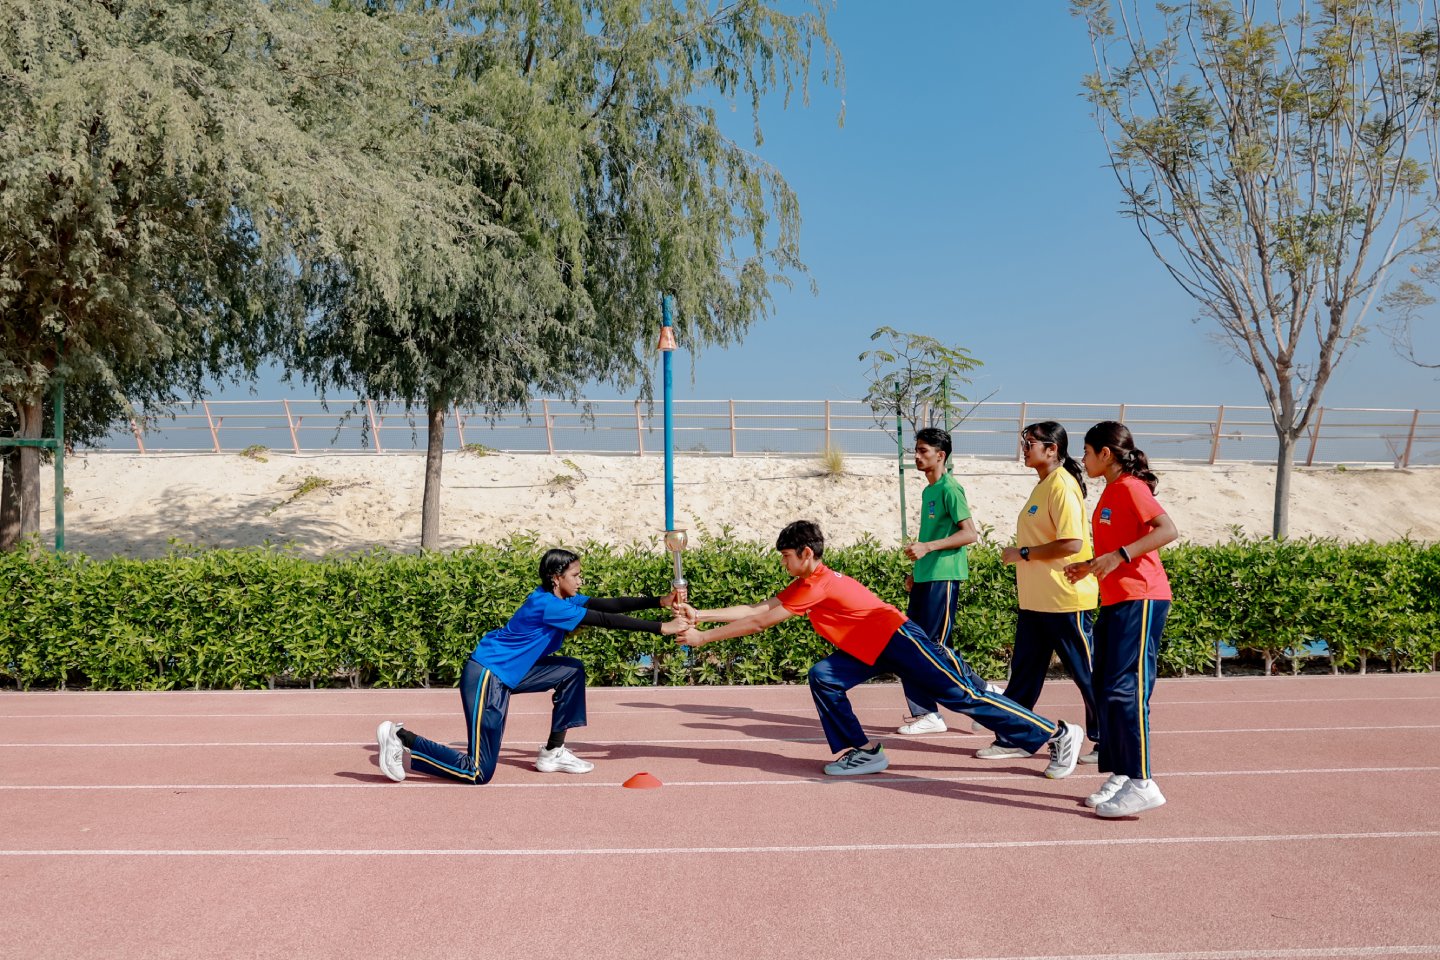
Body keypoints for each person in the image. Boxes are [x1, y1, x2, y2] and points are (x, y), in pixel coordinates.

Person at [678, 520, 1083, 781]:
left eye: (786, 556)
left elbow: (761, 622)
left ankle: (1058, 734)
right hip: (868, 650)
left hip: (898, 639)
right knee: (824, 676)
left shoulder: (818, 582)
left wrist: (702, 639)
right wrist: (702, 615)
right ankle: (862, 752)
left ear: (807, 554)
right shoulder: (806, 583)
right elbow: (759, 608)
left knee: (964, 697)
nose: (783, 563)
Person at [374, 548, 691, 784]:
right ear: (557, 578)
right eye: (575, 575)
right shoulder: (548, 606)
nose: (580, 580)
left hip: (511, 675)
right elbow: (605, 620)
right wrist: (662, 628)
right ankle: (401, 737)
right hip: (487, 675)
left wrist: (659, 601)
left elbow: (609, 605)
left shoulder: (562, 600)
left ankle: (553, 752)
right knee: (478, 772)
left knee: (571, 671)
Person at [1064, 422, 1179, 818]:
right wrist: (1091, 565)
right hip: (1116, 599)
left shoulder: (1131, 487)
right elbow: (1115, 547)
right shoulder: (1111, 490)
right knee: (1106, 689)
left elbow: (1167, 530)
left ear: (1105, 454)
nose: (1083, 459)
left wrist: (1120, 556)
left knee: (1127, 690)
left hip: (1142, 598)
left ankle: (1143, 782)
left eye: (1087, 451)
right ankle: (1123, 774)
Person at [983, 421, 1101, 763]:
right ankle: (1014, 738)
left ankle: (1108, 740)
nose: (1024, 448)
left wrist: (1022, 553)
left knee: (1088, 674)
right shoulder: (1044, 485)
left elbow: (1072, 543)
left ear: (1052, 449)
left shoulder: (1062, 486)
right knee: (1024, 674)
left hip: (1064, 599)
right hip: (1036, 601)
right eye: (1024, 442)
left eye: (1030, 443)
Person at [896, 427, 978, 736]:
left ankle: (984, 696)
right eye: (915, 450)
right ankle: (929, 712)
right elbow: (930, 537)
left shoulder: (950, 489)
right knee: (910, 644)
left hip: (944, 578)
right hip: (926, 577)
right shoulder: (928, 491)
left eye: (923, 451)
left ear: (940, 455)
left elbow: (970, 533)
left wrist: (928, 548)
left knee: (933, 649)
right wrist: (915, 573)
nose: (916, 456)